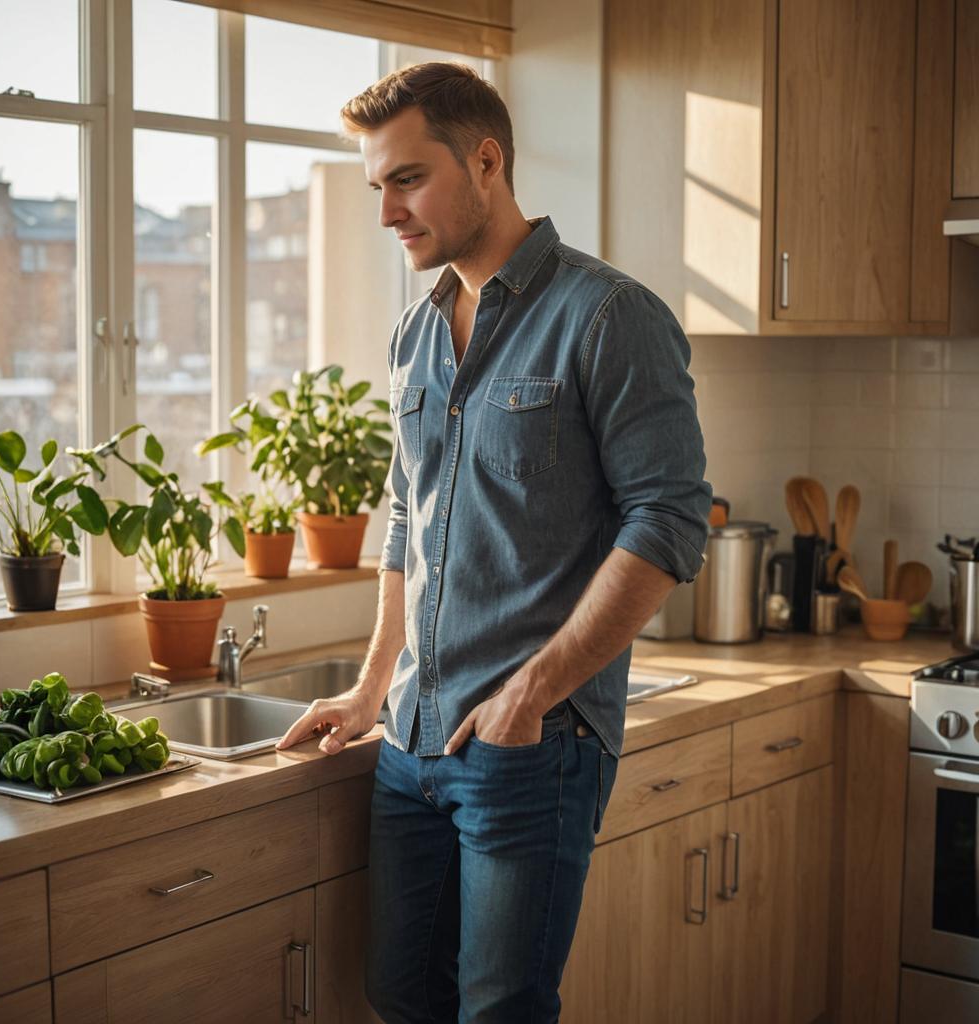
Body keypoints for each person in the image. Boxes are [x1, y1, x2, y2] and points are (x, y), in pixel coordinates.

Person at [276, 61, 711, 1024]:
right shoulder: (414, 335)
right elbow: (407, 519)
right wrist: (366, 687)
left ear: (486, 160)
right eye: (376, 186)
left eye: (408, 178)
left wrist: (531, 694)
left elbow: (671, 522)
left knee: (499, 1011)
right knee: (399, 995)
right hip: (410, 737)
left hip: (529, 746)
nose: (388, 209)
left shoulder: (607, 316)